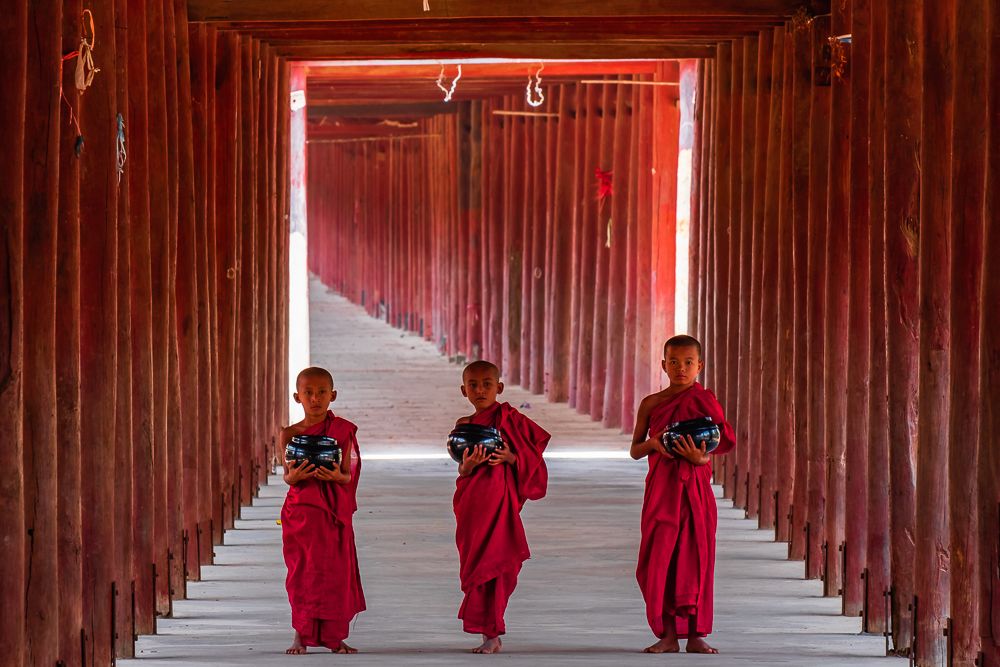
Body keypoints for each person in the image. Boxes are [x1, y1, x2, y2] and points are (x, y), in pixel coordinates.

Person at [629, 335, 736, 655]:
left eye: (689, 362)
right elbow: (635, 450)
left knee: (696, 559)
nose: (681, 368)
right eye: (674, 362)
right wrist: (653, 444)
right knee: (660, 559)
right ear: (663, 365)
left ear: (699, 366)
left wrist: (701, 459)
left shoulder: (704, 400)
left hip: (696, 491)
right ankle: (667, 634)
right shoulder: (651, 403)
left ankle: (695, 634)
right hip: (662, 490)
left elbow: (721, 438)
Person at [452, 360, 550, 654]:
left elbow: (534, 458)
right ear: (463, 390)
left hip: (501, 506)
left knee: (502, 567)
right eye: (473, 385)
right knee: (478, 567)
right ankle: (488, 634)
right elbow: (462, 469)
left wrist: (512, 458)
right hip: (472, 505)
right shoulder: (464, 426)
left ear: (499, 388)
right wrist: (467, 466)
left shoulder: (512, 420)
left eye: (486, 384)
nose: (480, 390)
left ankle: (492, 632)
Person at [280, 366, 365, 655]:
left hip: (331, 513)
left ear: (333, 395)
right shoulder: (289, 434)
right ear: (297, 397)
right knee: (302, 572)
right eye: (308, 393)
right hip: (302, 512)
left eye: (321, 393)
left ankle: (334, 637)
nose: (315, 399)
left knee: (333, 572)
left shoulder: (342, 431)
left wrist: (335, 478)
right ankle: (299, 635)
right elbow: (287, 476)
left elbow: (347, 474)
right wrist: (295, 476)